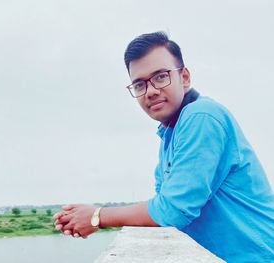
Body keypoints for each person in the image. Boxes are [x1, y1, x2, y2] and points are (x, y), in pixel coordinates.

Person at [53, 31, 274, 262]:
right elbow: (162, 206)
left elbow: (172, 210)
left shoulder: (202, 116)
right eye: (139, 84)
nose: (150, 91)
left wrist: (97, 216)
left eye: (160, 77)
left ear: (185, 77)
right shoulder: (171, 133)